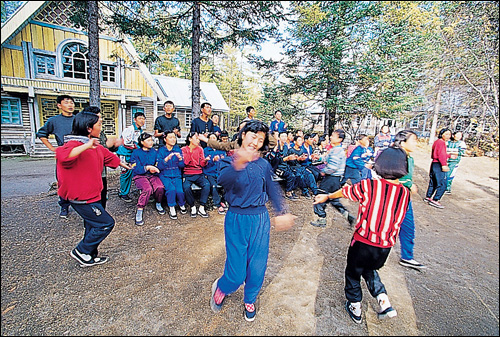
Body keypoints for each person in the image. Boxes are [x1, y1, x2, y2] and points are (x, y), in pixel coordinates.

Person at [209, 120, 296, 322]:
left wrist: (281, 211)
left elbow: (272, 189)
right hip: (237, 219)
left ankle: (250, 298)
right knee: (237, 271)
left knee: (257, 266)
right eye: (252, 136)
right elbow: (223, 181)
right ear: (242, 135)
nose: (255, 141)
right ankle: (223, 286)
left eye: (260, 139)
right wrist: (239, 163)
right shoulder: (227, 161)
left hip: (260, 219)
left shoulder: (263, 164)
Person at [313, 147, 411, 324]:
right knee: (370, 269)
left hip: (363, 242)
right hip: (385, 247)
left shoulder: (370, 186)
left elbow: (345, 192)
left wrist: (327, 196)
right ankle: (383, 299)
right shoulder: (405, 193)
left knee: (353, 272)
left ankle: (355, 306)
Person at [56, 112, 131, 267]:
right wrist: (87, 145)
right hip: (81, 197)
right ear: (89, 128)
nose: (101, 127)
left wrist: (121, 164)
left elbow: (108, 156)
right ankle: (81, 250)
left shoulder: (94, 145)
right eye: (99, 124)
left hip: (93, 194)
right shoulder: (73, 144)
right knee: (105, 223)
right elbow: (64, 156)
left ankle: (89, 255)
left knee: (91, 224)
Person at [36, 94, 75, 218]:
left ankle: (81, 205)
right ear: (59, 105)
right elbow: (42, 134)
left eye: (72, 103)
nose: (70, 105)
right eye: (67, 102)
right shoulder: (54, 121)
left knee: (80, 180)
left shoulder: (78, 119)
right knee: (63, 182)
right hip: (64, 155)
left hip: (79, 154)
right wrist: (52, 148)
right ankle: (64, 206)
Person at [391, 130, 426, 270]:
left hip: (404, 197)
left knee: (407, 226)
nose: (416, 143)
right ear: (403, 142)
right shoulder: (395, 156)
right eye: (414, 140)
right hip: (393, 197)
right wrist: (409, 183)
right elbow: (390, 175)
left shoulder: (408, 157)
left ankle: (407, 256)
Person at [310, 129, 355, 228]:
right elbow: (327, 159)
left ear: (339, 139)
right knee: (333, 199)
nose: (331, 137)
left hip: (330, 179)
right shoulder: (336, 149)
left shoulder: (336, 151)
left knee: (319, 197)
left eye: (333, 136)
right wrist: (319, 158)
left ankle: (321, 219)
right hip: (336, 179)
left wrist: (324, 171)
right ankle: (348, 216)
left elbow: (333, 167)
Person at [81, 106, 122, 209]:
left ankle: (100, 217)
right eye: (97, 119)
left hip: (101, 172)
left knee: (102, 197)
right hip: (89, 174)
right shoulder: (80, 138)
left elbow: (105, 150)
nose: (100, 121)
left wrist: (113, 145)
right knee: (91, 202)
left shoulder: (100, 133)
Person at [130, 133, 166, 226]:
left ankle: (158, 202)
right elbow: (134, 167)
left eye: (152, 140)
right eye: (148, 140)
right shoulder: (136, 153)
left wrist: (156, 167)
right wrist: (147, 167)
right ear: (142, 142)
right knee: (147, 189)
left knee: (160, 187)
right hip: (140, 176)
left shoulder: (154, 152)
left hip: (152, 175)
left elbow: (158, 164)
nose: (151, 142)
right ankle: (140, 209)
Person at [157, 130, 187, 219]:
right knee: (171, 189)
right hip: (165, 175)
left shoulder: (178, 149)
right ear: (165, 139)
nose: (173, 139)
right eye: (170, 137)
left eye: (174, 137)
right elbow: (159, 166)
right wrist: (166, 159)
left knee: (180, 191)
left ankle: (182, 204)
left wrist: (181, 159)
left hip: (176, 174)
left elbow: (182, 166)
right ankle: (171, 207)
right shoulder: (161, 150)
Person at [116, 111, 146, 202]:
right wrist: (138, 146)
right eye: (139, 118)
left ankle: (132, 190)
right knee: (126, 172)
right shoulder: (129, 129)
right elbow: (125, 143)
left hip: (133, 154)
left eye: (143, 119)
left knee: (133, 171)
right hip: (124, 154)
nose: (142, 120)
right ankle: (123, 193)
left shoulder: (140, 130)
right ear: (134, 119)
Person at [182, 132, 210, 217]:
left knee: (207, 185)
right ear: (190, 139)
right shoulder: (184, 149)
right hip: (188, 173)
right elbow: (185, 163)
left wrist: (205, 160)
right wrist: (190, 151)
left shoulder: (200, 149)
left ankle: (202, 206)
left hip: (199, 173)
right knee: (186, 187)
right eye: (196, 138)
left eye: (198, 139)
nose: (198, 140)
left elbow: (202, 164)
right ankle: (192, 206)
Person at [424, 128, 452, 209]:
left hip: (434, 163)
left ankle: (428, 196)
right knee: (442, 183)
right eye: (446, 134)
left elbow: (438, 153)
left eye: (449, 134)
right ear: (442, 134)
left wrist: (449, 155)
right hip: (439, 164)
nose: (448, 136)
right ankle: (436, 199)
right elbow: (441, 155)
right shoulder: (441, 142)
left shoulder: (437, 142)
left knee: (433, 181)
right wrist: (444, 164)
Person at [203, 133, 227, 214]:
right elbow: (204, 164)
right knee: (213, 186)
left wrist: (223, 160)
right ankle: (218, 204)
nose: (213, 140)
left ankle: (223, 200)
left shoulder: (221, 150)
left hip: (220, 172)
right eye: (211, 138)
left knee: (228, 184)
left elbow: (226, 162)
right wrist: (212, 160)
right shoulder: (205, 150)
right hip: (209, 173)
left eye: (214, 138)